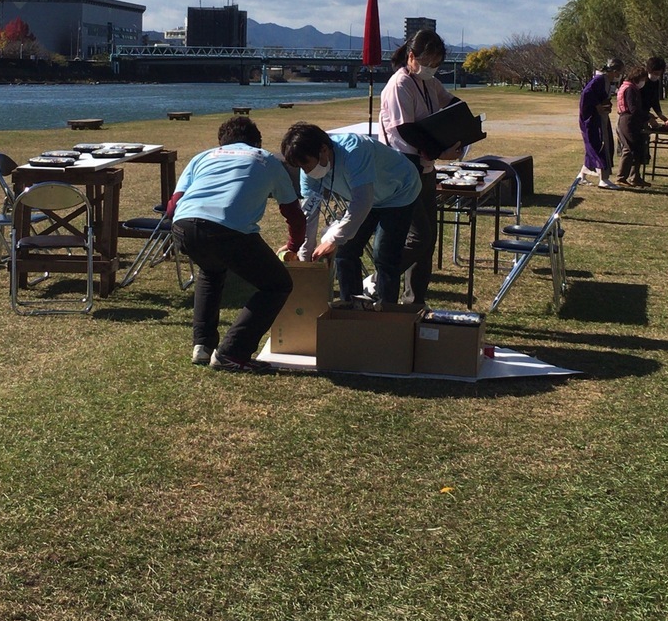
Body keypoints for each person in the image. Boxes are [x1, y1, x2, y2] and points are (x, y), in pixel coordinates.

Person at [168, 115, 308, 373]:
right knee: (277, 285)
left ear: (221, 143)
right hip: (227, 228)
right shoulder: (266, 158)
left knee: (210, 271)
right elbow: (293, 213)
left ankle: (202, 345)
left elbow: (173, 204)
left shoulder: (203, 157)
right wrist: (293, 244)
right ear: (257, 141)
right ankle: (232, 352)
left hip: (184, 225)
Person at [279, 121, 422, 307]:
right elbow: (309, 212)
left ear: (323, 149)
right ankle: (351, 309)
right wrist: (304, 255)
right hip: (366, 198)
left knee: (384, 254)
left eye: (306, 164)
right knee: (345, 251)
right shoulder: (309, 170)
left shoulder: (354, 150)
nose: (305, 171)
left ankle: (387, 313)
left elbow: (362, 201)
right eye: (300, 167)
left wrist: (333, 239)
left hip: (399, 191)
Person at [378, 28, 461, 307]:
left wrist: (465, 120)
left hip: (425, 169)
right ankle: (381, 278)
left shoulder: (427, 83)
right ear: (411, 56)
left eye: (437, 64)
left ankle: (414, 302)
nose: (432, 69)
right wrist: (442, 151)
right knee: (420, 237)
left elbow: (450, 103)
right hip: (402, 169)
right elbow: (406, 131)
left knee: (429, 240)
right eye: (428, 62)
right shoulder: (399, 84)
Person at [577, 57, 623, 186]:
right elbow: (586, 94)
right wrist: (597, 106)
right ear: (614, 71)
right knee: (598, 144)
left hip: (600, 117)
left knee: (596, 145)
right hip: (591, 119)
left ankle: (582, 175)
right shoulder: (599, 79)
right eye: (618, 72)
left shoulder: (607, 81)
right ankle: (603, 178)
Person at [614, 66, 650, 187]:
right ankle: (621, 177)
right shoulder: (630, 89)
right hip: (628, 120)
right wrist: (648, 117)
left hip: (631, 120)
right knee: (629, 148)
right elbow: (633, 108)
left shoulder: (628, 87)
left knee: (637, 148)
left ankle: (635, 177)